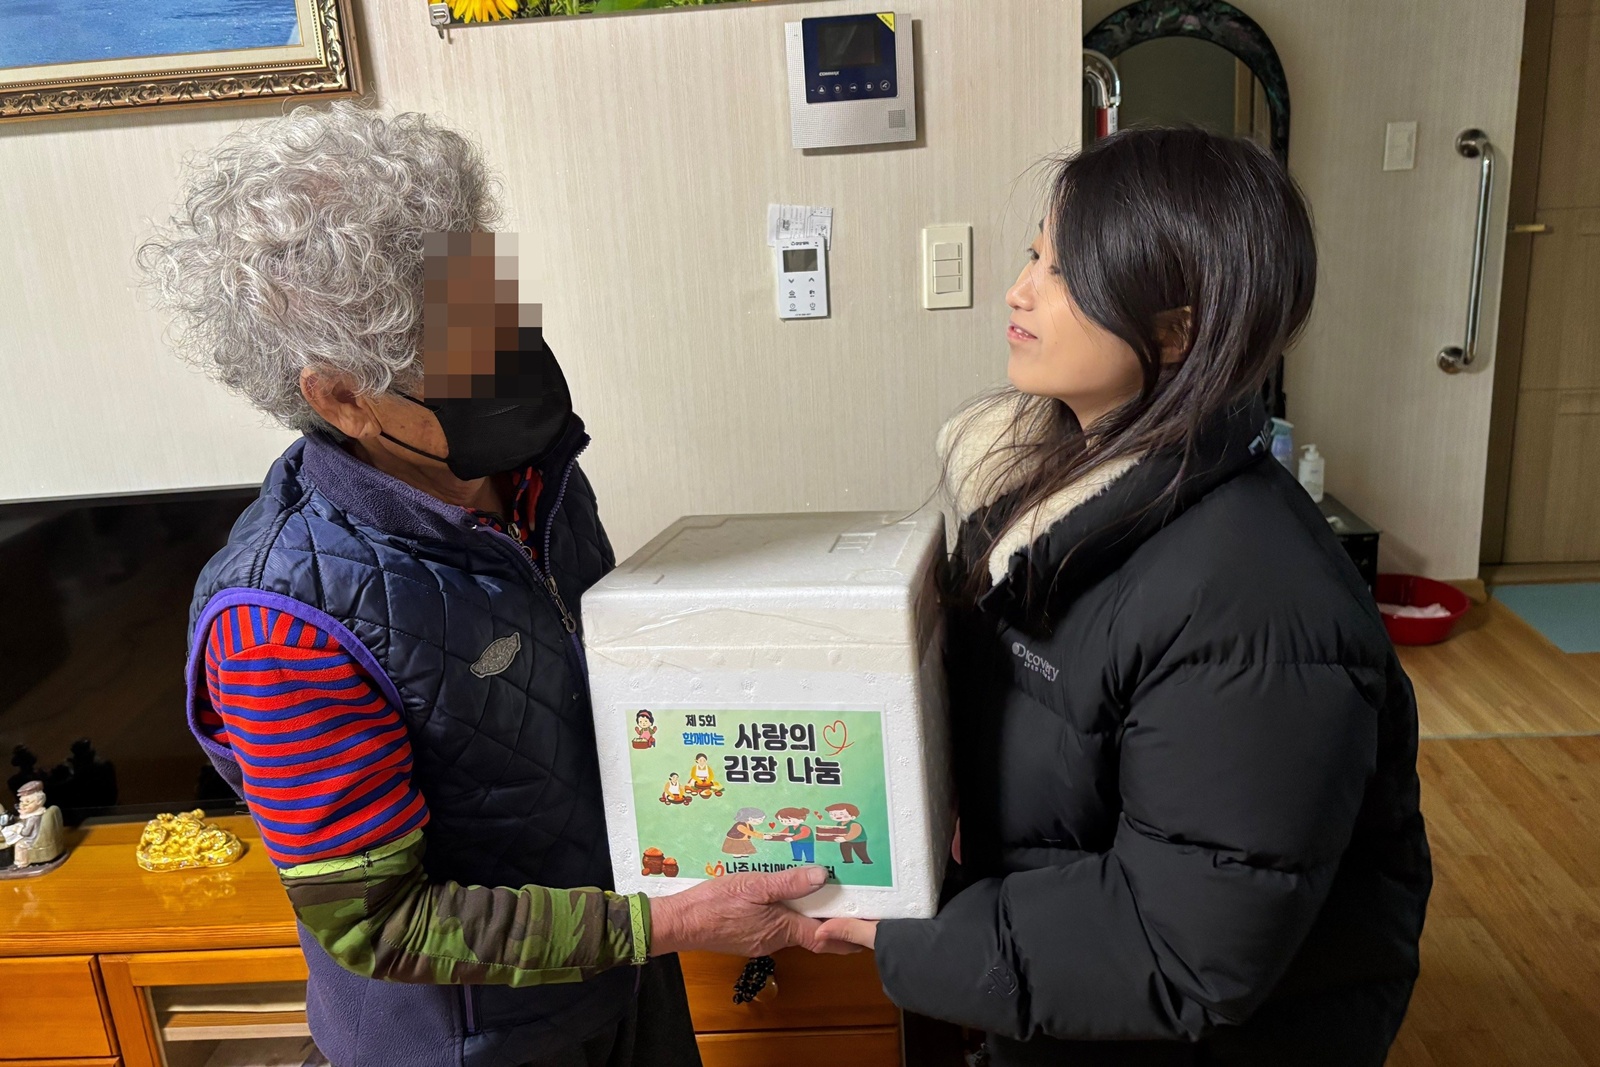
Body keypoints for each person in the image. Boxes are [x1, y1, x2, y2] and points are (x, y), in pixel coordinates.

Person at [139, 102, 840, 1067]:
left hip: (626, 972)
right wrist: (670, 922)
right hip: (474, 1040)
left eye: (493, 306)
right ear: (341, 396)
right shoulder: (280, 625)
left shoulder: (535, 478)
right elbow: (381, 922)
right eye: (455, 349)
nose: (503, 351)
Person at [819, 128, 1432, 1066]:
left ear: (1176, 330)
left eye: (1066, 272)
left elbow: (1182, 947)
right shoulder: (1044, 492)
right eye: (1034, 255)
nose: (1019, 290)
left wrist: (902, 935)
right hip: (1061, 1010)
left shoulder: (1251, 606)